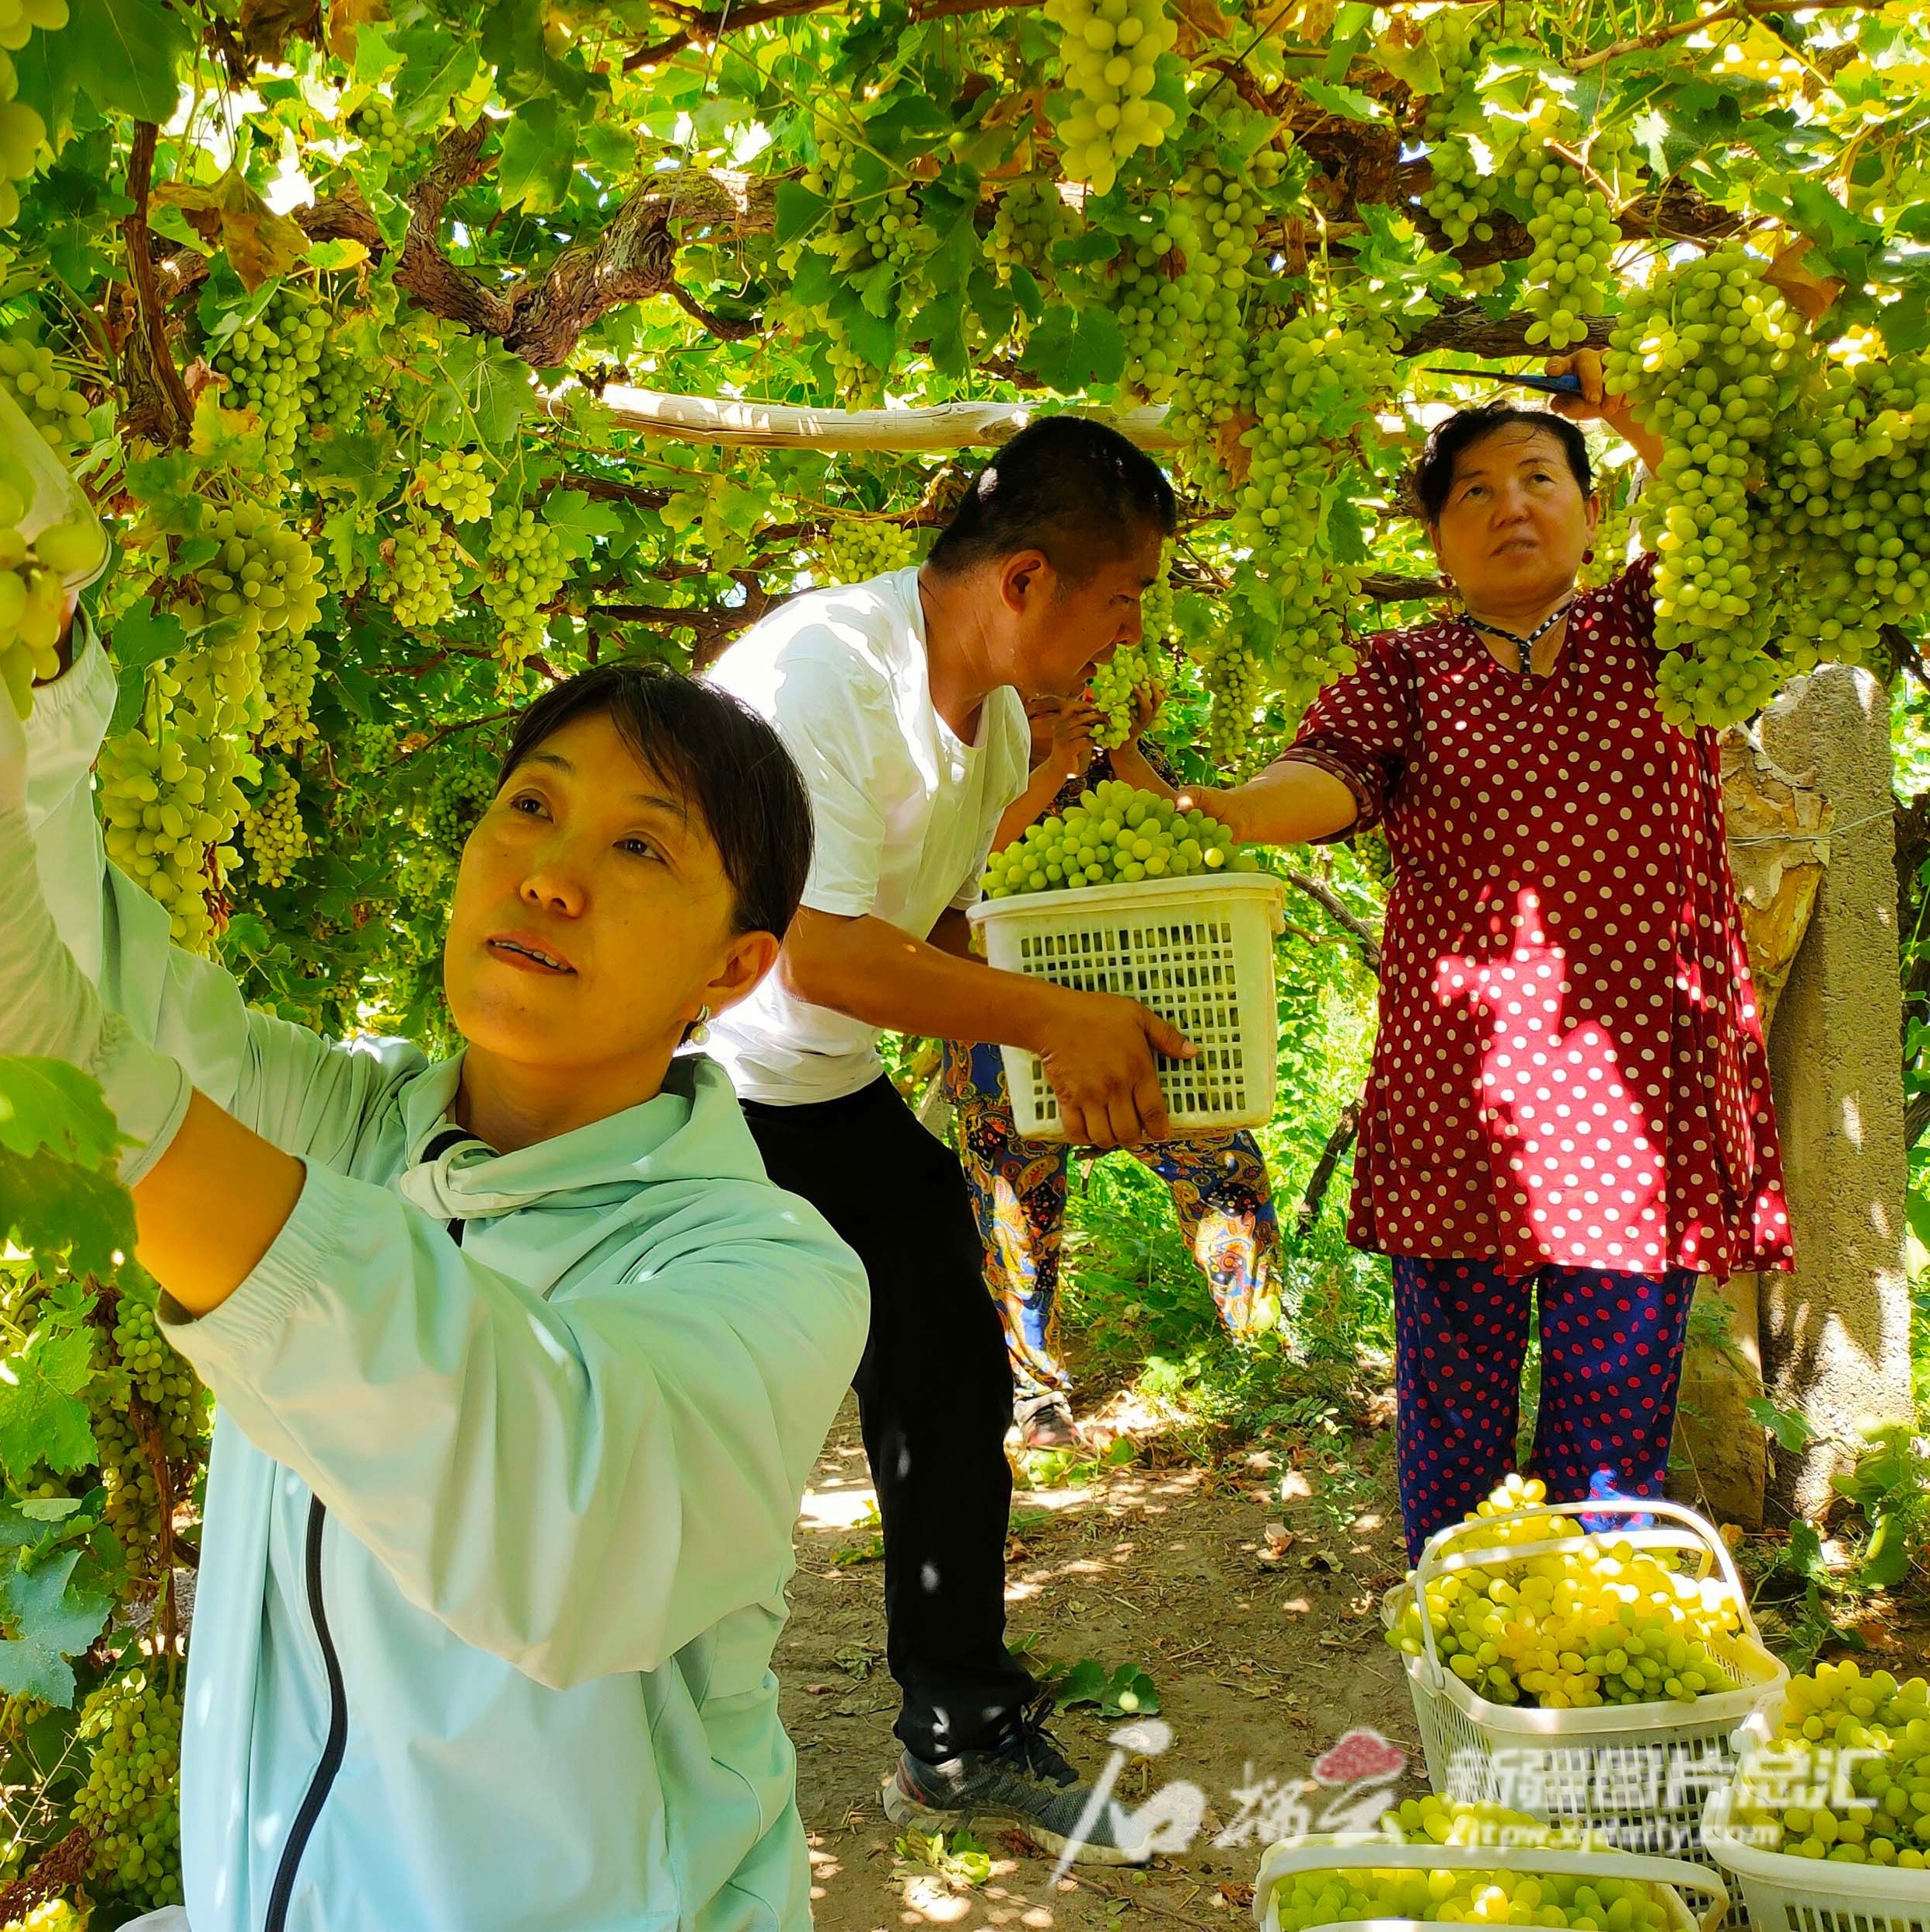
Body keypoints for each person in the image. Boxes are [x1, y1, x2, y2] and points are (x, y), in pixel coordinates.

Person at [0, 640, 872, 1930]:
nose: (549, 873)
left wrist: (108, 1090)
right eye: (531, 805)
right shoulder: (351, 1127)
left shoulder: (765, 1272)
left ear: (735, 967)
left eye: (642, 848)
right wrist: (44, 648)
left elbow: (559, 1523)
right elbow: (96, 982)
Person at [1181, 356, 1795, 1559]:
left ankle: (1595, 1668)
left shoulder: (1661, 625)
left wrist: (1624, 406)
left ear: (1593, 507)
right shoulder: (1405, 668)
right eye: (1473, 489)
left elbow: (1731, 520)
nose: (1511, 504)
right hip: (1464, 1104)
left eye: (1538, 477)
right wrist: (1227, 809)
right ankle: (1463, 1664)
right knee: (1451, 1435)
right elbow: (1331, 778)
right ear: (1437, 532)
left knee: (1610, 1443)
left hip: (1639, 1107)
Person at [703, 415, 1186, 1859]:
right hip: (677, 1088)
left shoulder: (1005, 728)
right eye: (1125, 597)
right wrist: (1052, 1020)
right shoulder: (823, 680)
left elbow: (926, 935)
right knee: (698, 1415)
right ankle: (599, 1736)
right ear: (1028, 581)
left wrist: (1108, 997)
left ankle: (959, 1733)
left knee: (947, 1371)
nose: (1131, 630)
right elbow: (819, 951)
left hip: (817, 1089)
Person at [941, 685, 1283, 1449]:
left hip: (1138, 1001)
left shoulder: (1117, 746)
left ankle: (1268, 1365)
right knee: (1013, 1199)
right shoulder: (966, 756)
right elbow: (962, 880)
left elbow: (1190, 842)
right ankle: (1036, 1398)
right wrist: (1047, 766)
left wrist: (1121, 747)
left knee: (1219, 1161)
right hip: (1003, 1016)